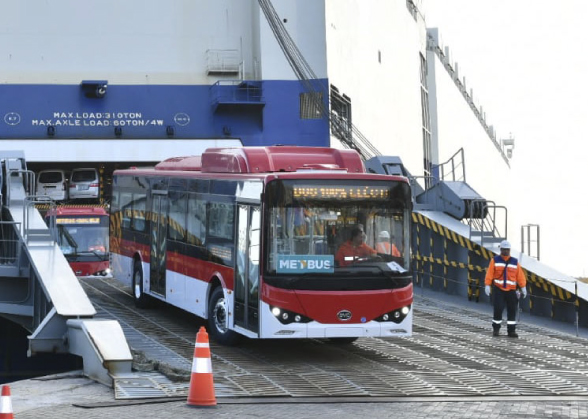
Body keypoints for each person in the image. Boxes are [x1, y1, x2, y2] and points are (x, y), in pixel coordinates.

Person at [484, 240, 527, 338]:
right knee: (498, 309)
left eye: (507, 250)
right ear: (501, 249)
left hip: (511, 290)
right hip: (498, 289)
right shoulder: (494, 260)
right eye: (504, 249)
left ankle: (511, 331)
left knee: (512, 310)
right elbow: (489, 273)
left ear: (509, 250)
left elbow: (520, 276)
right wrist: (487, 284)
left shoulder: (515, 262)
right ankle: (496, 329)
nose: (506, 251)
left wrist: (523, 287)